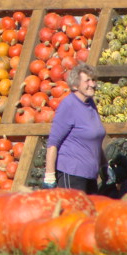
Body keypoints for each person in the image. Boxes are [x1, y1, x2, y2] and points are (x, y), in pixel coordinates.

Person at [42, 62, 107, 194]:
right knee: (75, 213)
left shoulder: (90, 104)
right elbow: (53, 143)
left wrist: (104, 165)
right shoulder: (68, 105)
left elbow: (94, 140)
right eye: (87, 81)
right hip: (71, 174)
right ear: (75, 85)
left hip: (90, 175)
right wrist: (49, 175)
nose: (92, 84)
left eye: (93, 80)